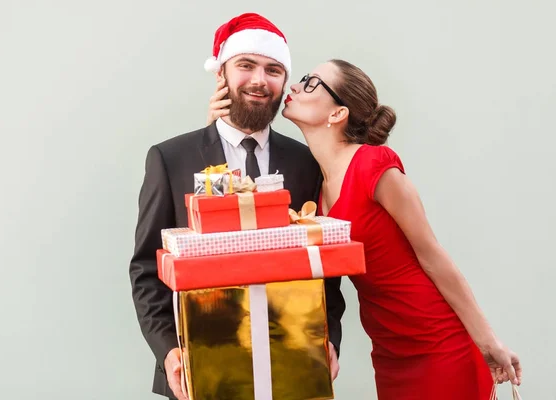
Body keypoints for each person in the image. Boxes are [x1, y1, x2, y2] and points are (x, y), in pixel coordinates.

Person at [208, 59, 523, 399]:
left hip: (437, 343)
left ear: (337, 114)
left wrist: (488, 341)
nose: (295, 87)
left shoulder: (375, 165)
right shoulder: (314, 183)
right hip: (389, 351)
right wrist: (216, 124)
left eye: (311, 83)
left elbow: (434, 258)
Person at [129, 13, 345, 400]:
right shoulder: (170, 159)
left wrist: (329, 336)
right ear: (221, 75)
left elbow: (323, 264)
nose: (259, 80)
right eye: (246, 65)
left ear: (283, 83)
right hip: (200, 366)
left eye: (273, 69)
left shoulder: (307, 163)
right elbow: (147, 269)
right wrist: (169, 352)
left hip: (290, 365)